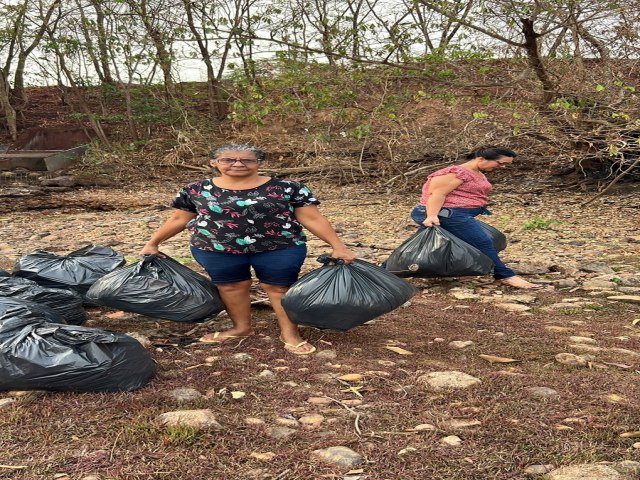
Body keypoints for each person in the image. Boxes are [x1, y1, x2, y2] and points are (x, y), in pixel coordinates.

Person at [141, 144, 356, 355]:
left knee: (279, 288)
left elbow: (312, 218)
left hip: (279, 247)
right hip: (215, 248)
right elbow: (179, 218)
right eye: (228, 159)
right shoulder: (196, 189)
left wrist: (338, 246)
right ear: (213, 163)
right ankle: (241, 328)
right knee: (231, 286)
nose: (238, 164)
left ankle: (290, 334)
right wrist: (153, 243)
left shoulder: (289, 187)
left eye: (247, 159)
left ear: (260, 163)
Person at [411, 146, 541, 289]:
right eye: (500, 163)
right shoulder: (456, 173)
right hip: (446, 214)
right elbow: (437, 194)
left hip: (456, 214)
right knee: (482, 241)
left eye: (505, 164)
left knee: (417, 245)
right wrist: (431, 216)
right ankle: (505, 275)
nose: (502, 167)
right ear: (481, 159)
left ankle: (387, 271)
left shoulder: (476, 171)